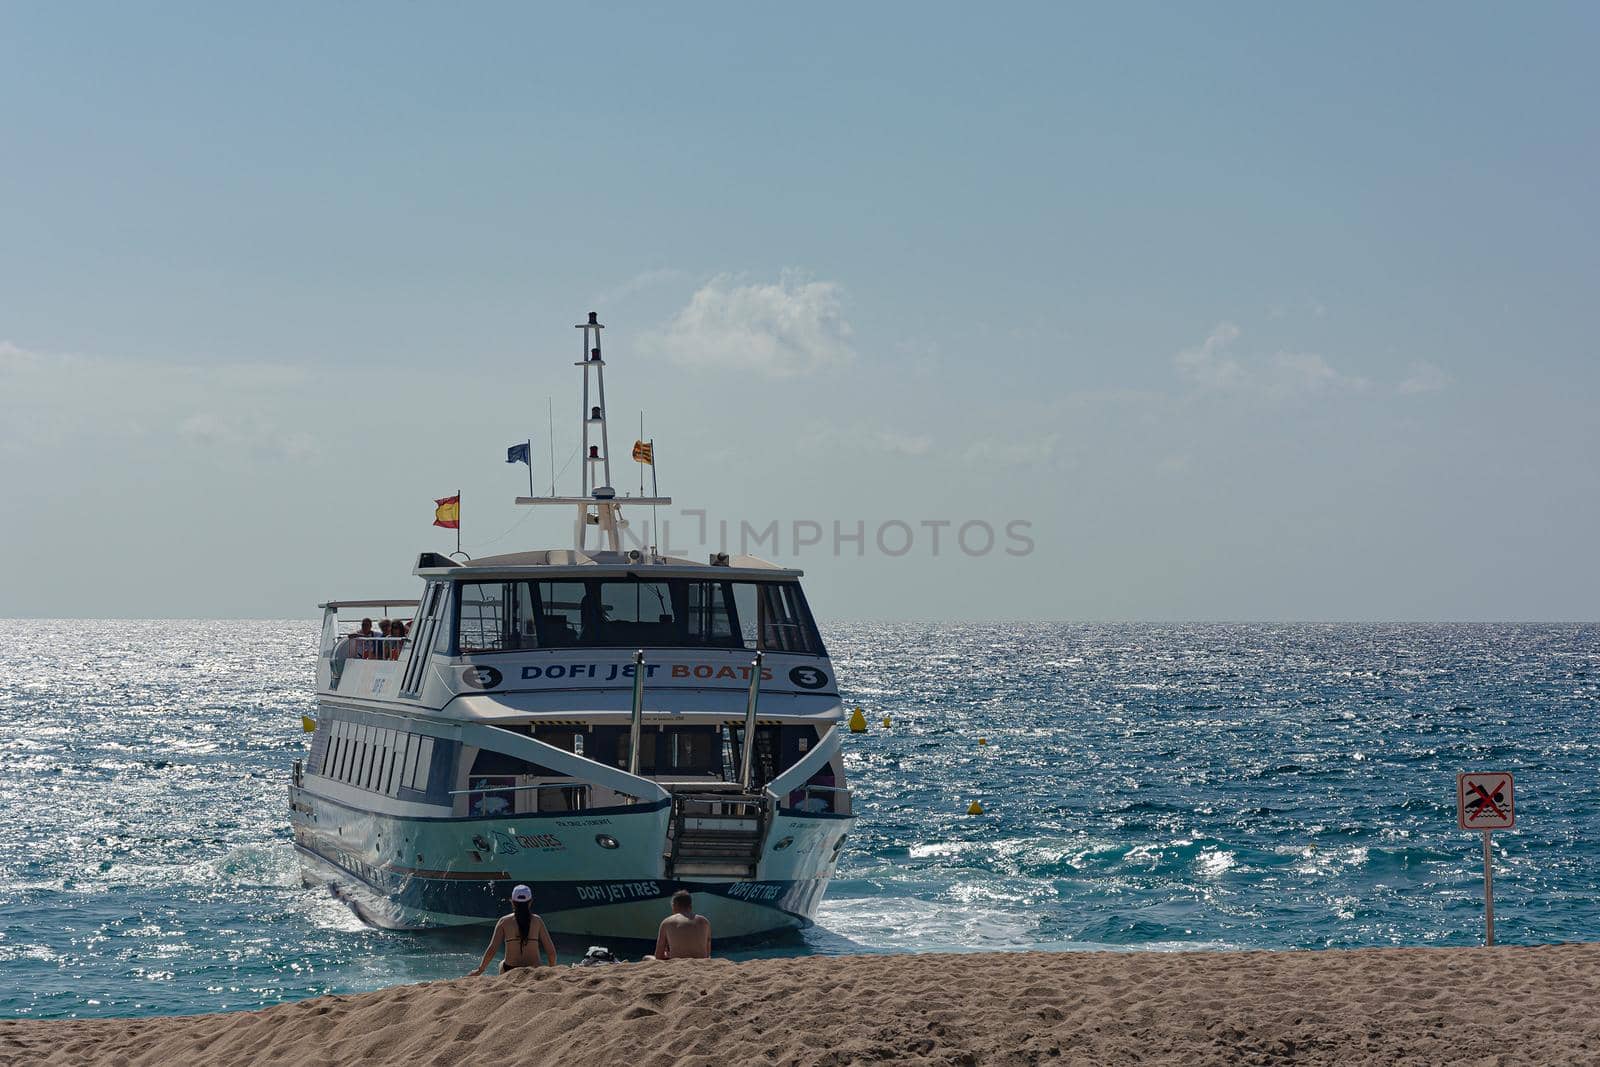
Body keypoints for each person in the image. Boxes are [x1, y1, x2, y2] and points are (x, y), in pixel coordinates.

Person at [469, 884, 557, 975]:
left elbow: (492, 949)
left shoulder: (504, 921)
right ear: (530, 902)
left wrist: (480, 970)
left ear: (512, 902)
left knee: (501, 964)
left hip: (510, 969)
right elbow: (551, 952)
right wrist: (552, 969)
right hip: (534, 970)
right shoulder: (537, 921)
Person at [652, 890, 712, 960]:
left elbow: (658, 956)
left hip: (677, 963)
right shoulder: (705, 921)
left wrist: (668, 954)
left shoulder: (667, 922)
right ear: (690, 906)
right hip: (701, 962)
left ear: (674, 905)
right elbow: (707, 954)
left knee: (647, 958)